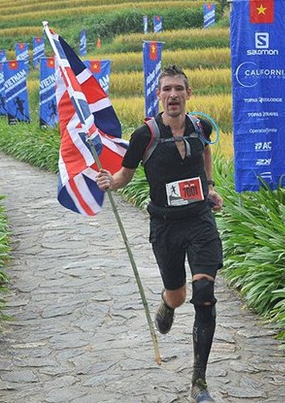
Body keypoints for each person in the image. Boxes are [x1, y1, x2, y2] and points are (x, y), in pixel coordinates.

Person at [95, 65, 223, 403]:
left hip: (199, 221)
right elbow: (125, 174)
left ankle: (199, 381)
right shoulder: (145, 136)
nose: (173, 95)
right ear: (159, 95)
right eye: (166, 89)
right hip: (165, 225)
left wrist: (209, 187)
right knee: (179, 295)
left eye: (179, 89)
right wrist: (111, 181)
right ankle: (167, 304)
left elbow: (206, 150)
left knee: (205, 292)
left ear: (188, 94)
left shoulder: (200, 126)